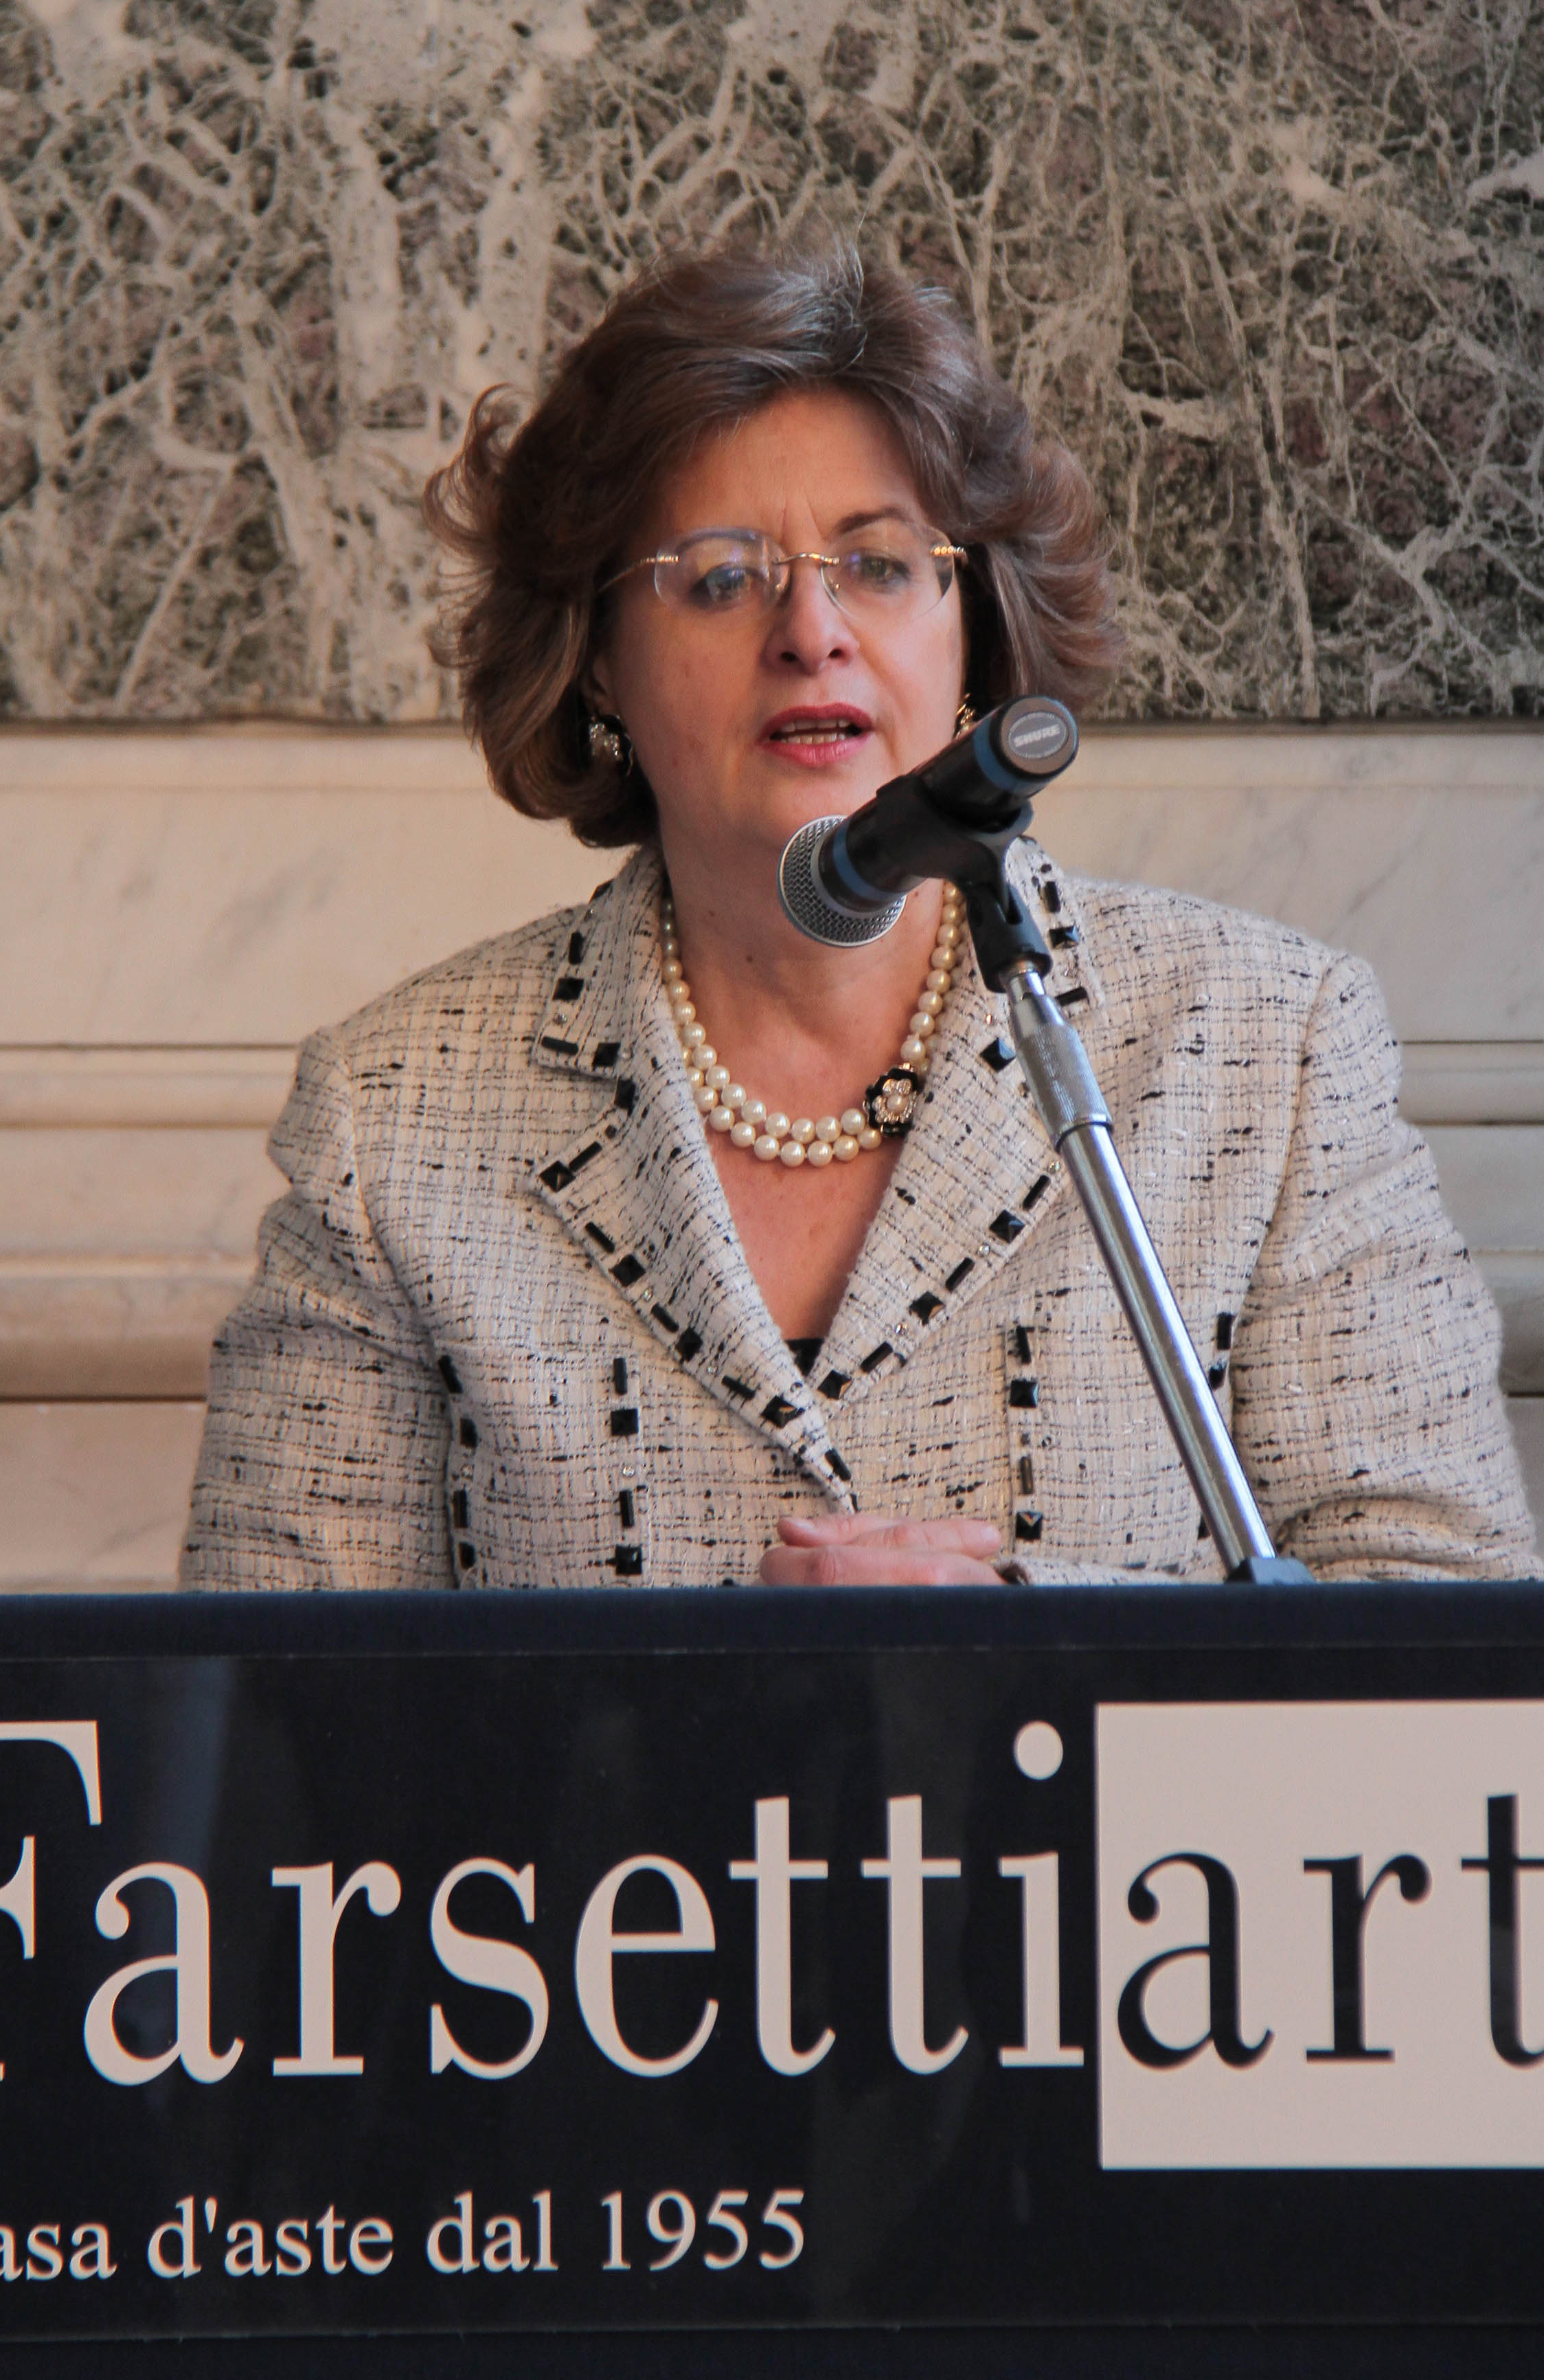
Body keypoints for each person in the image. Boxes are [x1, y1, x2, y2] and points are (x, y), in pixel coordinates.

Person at [180, 240, 1536, 1591]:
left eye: (878, 565)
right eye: (717, 576)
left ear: (971, 629)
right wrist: (735, 1705)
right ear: (594, 655)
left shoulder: (1264, 1051)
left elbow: (1439, 1625)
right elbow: (272, 1740)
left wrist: (1010, 1665)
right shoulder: (396, 1115)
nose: (809, 629)